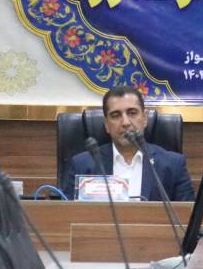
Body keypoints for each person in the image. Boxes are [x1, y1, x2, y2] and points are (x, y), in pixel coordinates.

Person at [62, 86, 195, 200]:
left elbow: (187, 217)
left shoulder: (173, 165)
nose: (125, 122)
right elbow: (66, 216)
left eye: (132, 113)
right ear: (106, 124)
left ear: (144, 118)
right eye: (116, 115)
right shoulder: (83, 165)